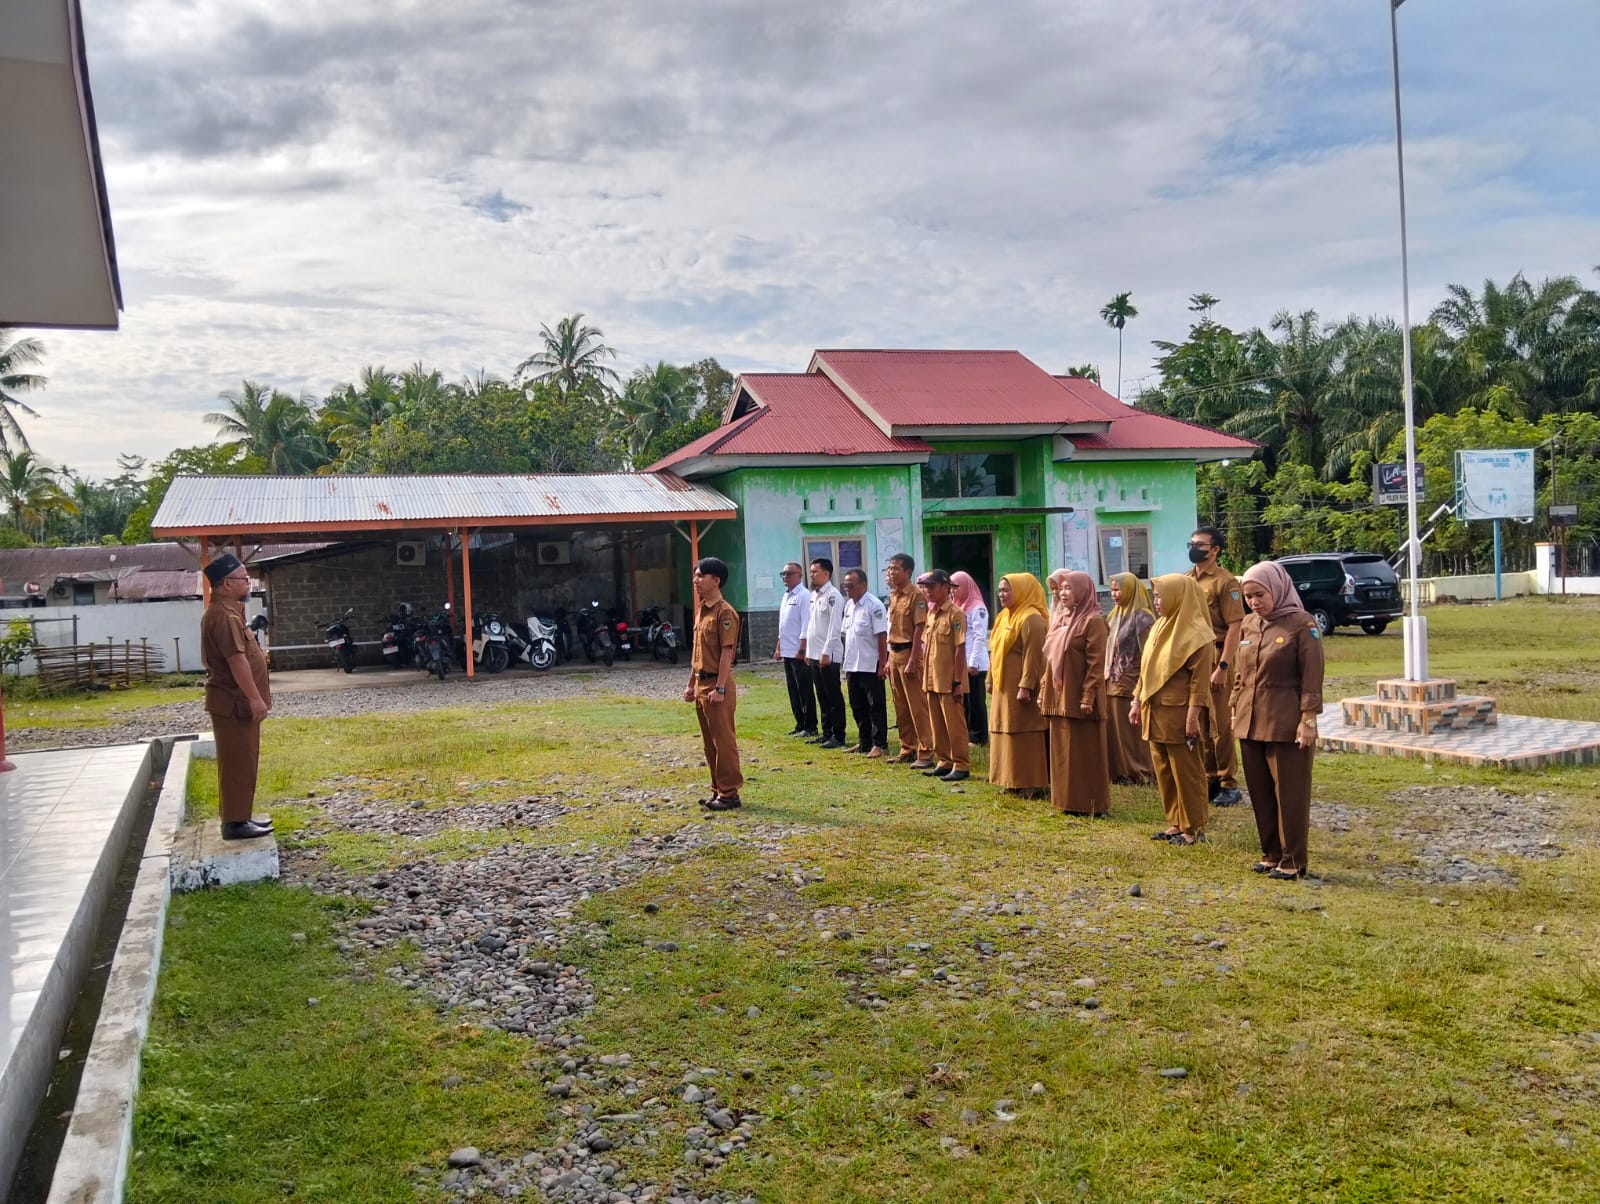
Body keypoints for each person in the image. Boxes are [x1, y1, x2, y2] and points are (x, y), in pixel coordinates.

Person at [1232, 560, 1325, 881]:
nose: (1254, 602)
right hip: (1250, 720)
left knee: (1290, 793)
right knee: (1260, 791)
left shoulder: (1302, 624)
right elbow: (1241, 673)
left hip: (1286, 721)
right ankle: (1271, 853)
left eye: (1260, 595)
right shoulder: (1248, 624)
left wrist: (1308, 719)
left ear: (1278, 589)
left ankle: (1293, 859)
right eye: (1248, 597)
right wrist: (1234, 707)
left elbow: (1312, 674)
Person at [1130, 574, 1216, 846]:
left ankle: (1193, 827)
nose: (1157, 602)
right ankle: (1176, 822)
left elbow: (1199, 683)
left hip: (1181, 713)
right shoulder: (1160, 627)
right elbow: (1146, 669)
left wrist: (1192, 717)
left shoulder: (1199, 635)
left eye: (1161, 596)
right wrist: (1136, 700)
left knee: (1187, 771)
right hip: (1156, 711)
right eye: (1155, 596)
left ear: (1179, 597)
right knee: (1164, 770)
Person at [200, 553, 274, 840]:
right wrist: (255, 698)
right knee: (236, 763)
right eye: (244, 579)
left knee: (244, 760)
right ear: (227, 584)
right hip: (232, 703)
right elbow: (236, 660)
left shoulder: (230, 612)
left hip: (237, 703)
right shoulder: (223, 615)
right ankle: (234, 822)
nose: (248, 583)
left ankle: (241, 816)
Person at [1039, 570, 1111, 817]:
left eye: (1069, 588)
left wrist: (1087, 696)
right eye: (1061, 588)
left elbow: (1096, 664)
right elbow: (1049, 660)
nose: (1063, 593)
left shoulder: (1093, 621)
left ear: (1082, 591)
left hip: (1081, 699)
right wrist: (1044, 690)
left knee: (1085, 751)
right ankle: (1066, 801)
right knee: (1063, 751)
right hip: (1059, 695)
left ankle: (1091, 804)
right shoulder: (1061, 618)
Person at [1187, 526, 1245, 806]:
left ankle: (1228, 782)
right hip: (1195, 657)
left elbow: (1235, 626)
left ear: (1215, 550)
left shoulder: (1226, 582)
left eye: (1200, 544)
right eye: (1191, 543)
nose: (1194, 548)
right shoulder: (1187, 580)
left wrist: (1223, 666)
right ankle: (1208, 776)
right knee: (1199, 719)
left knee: (1219, 723)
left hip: (1217, 654)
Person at [683, 557, 744, 811]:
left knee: (724, 741)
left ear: (715, 580)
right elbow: (698, 651)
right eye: (695, 576)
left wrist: (720, 688)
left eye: (700, 576)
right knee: (709, 743)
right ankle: (718, 789)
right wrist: (691, 684)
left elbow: (727, 653)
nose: (695, 580)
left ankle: (730, 793)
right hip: (702, 683)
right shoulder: (702, 610)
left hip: (717, 685)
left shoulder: (724, 612)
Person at [986, 572, 1049, 794]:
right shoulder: (1004, 616)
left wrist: (1026, 686)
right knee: (1004, 729)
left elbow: (1034, 656)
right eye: (1000, 590)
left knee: (1025, 731)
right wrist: (990, 678)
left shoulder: (1031, 618)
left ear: (1022, 591)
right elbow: (995, 649)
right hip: (1003, 686)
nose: (1001, 594)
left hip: (1021, 689)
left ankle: (1031, 783)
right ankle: (1010, 780)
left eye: (1007, 590)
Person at [917, 569, 970, 782]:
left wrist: (957, 681)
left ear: (946, 587)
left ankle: (961, 764)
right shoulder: (931, 613)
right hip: (932, 678)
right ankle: (944, 760)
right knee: (937, 724)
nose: (928, 591)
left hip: (949, 681)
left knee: (954, 725)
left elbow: (960, 649)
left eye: (932, 587)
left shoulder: (956, 614)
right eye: (927, 587)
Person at [1105, 572, 1157, 786]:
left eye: (1118, 590)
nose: (1114, 594)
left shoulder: (1143, 617)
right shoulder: (1115, 614)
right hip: (1112, 680)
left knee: (1130, 732)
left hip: (1131, 680)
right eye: (1112, 590)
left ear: (1130, 590)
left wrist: (1142, 684)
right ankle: (1121, 771)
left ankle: (1139, 771)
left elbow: (1149, 653)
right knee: (1116, 730)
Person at [884, 553, 934, 767]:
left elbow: (919, 628)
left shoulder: (916, 596)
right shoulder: (893, 596)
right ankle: (907, 748)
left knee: (917, 705)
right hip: (895, 653)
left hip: (909, 653)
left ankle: (926, 751)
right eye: (890, 568)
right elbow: (892, 628)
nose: (891, 572)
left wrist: (913, 659)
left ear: (908, 572)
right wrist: (889, 658)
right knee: (901, 705)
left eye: (896, 568)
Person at [840, 567, 890, 757]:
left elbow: (882, 636)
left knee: (875, 706)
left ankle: (879, 743)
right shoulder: (849, 606)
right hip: (853, 664)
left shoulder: (874, 605)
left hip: (871, 664)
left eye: (850, 585)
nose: (847, 589)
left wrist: (882, 664)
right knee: (857, 705)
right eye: (845, 586)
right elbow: (847, 636)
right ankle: (864, 741)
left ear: (863, 585)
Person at [800, 557, 847, 749]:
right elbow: (812, 624)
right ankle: (826, 732)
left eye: (815, 572)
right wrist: (809, 652)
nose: (811, 575)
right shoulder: (815, 595)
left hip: (828, 655)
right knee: (821, 695)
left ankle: (838, 734)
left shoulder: (833, 596)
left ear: (826, 574)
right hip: (814, 653)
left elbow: (835, 628)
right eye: (810, 571)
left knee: (832, 695)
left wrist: (826, 652)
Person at [773, 562, 816, 738]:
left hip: (798, 651)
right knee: (793, 689)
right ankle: (800, 723)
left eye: (789, 573)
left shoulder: (803, 595)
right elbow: (783, 625)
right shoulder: (786, 595)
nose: (786, 577)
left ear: (800, 575)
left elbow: (806, 624)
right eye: (783, 574)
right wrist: (779, 646)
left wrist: (803, 649)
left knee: (804, 689)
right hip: (787, 650)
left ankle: (810, 725)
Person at [951, 571, 991, 745]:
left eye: (956, 587)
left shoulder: (977, 607)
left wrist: (973, 662)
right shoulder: (958, 605)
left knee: (975, 700)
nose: (953, 591)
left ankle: (978, 736)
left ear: (966, 587)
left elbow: (979, 636)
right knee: (965, 700)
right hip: (962, 661)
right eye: (951, 588)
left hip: (975, 663)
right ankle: (967, 733)